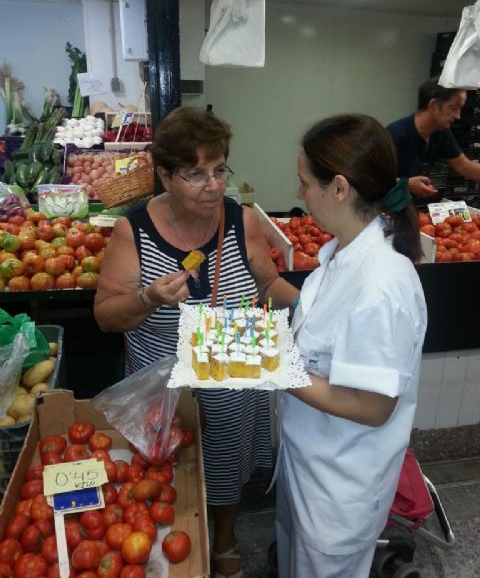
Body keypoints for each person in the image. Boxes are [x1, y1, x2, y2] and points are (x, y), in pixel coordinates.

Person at [94, 106, 298, 578]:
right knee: (167, 476)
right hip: (165, 391)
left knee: (226, 468)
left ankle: (224, 544)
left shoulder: (241, 219)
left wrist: (314, 307)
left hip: (232, 378)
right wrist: (148, 297)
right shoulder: (134, 230)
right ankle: (171, 549)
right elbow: (106, 316)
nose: (213, 184)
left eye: (219, 169)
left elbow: (267, 284)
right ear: (165, 176)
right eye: (195, 174)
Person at [274, 114, 428, 578]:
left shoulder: (382, 286)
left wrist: (276, 370)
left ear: (339, 188)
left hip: (341, 485)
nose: (300, 194)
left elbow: (374, 406)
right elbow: (328, 335)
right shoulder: (342, 253)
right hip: (308, 459)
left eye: (304, 183)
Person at [387, 78, 480, 198]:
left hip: (410, 207)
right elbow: (369, 179)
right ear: (433, 105)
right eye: (453, 108)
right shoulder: (395, 134)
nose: (458, 116)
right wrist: (406, 184)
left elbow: (465, 166)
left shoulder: (441, 132)